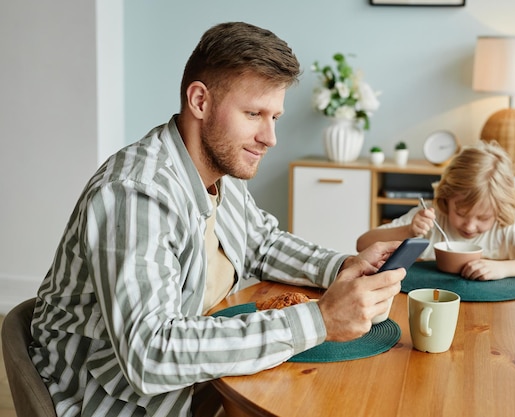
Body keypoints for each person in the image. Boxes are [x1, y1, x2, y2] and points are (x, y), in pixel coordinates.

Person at [29, 22, 405, 417]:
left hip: (201, 384)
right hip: (118, 403)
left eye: (274, 117)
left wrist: (344, 265)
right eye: (254, 114)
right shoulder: (136, 194)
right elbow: (151, 353)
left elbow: (262, 243)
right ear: (200, 102)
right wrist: (319, 320)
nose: (270, 137)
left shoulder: (218, 170)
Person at [356, 141, 515, 281]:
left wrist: (504, 269)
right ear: (447, 198)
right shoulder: (431, 216)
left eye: (483, 217)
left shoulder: (506, 227)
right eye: (461, 212)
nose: (470, 225)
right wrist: (408, 231)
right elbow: (363, 244)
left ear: (500, 209)